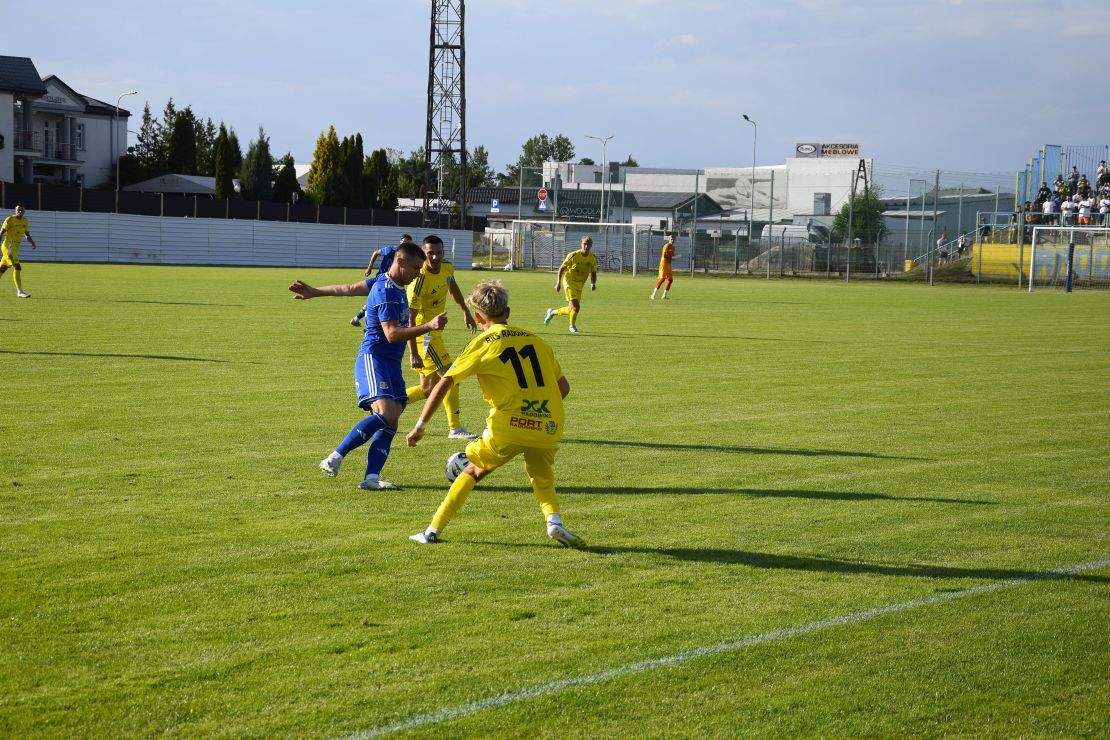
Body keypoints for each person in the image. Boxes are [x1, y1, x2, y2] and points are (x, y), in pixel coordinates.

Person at [405, 279, 585, 549]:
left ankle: (431, 532)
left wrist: (420, 425)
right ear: (507, 312)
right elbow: (564, 389)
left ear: (478, 318)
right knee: (541, 476)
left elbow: (444, 383)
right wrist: (536, 410)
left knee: (473, 470)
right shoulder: (538, 341)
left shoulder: (483, 342)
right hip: (548, 425)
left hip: (508, 426)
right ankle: (554, 522)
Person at [290, 241, 447, 490]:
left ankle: (372, 478)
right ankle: (334, 457)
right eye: (416, 268)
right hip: (374, 359)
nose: (418, 273)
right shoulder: (387, 292)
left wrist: (315, 291)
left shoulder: (385, 282)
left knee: (392, 420)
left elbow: (349, 288)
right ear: (400, 262)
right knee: (386, 414)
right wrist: (428, 326)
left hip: (391, 363)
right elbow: (392, 334)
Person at [404, 234, 481, 440]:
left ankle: (385, 406)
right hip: (425, 337)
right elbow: (410, 318)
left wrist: (465, 311)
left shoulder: (447, 267)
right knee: (451, 377)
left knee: (427, 389)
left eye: (439, 252)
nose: (435, 257)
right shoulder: (419, 279)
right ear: (423, 254)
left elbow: (453, 287)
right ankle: (455, 428)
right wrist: (413, 352)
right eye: (430, 253)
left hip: (436, 334)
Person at [351, 234, 413, 327]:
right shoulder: (391, 250)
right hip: (382, 280)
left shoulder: (408, 257)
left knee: (376, 300)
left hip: (391, 281)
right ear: (400, 243)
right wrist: (369, 267)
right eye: (404, 242)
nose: (405, 245)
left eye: (408, 244)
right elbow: (376, 253)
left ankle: (357, 318)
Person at [543, 236, 597, 334]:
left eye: (588, 244)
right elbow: (562, 268)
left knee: (571, 309)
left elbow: (593, 273)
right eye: (584, 244)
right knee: (576, 307)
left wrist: (593, 283)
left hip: (580, 284)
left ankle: (552, 312)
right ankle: (572, 326)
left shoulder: (592, 258)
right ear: (581, 244)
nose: (586, 246)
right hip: (569, 282)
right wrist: (558, 282)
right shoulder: (573, 255)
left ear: (591, 245)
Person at [0, 204, 38, 298]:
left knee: (2, 269)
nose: (20, 211)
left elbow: (27, 234)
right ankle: (20, 292)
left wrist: (32, 243)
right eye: (18, 210)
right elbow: (1, 233)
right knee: (17, 267)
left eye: (22, 210)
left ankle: (20, 292)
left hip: (14, 249)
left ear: (24, 211)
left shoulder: (25, 221)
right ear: (15, 210)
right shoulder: (10, 220)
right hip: (7, 248)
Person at [650, 234, 676, 300]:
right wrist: (671, 257)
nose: (672, 240)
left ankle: (664, 295)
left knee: (670, 280)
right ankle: (653, 294)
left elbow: (672, 256)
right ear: (669, 239)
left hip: (668, 265)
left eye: (674, 239)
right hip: (663, 264)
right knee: (662, 279)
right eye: (671, 239)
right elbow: (664, 256)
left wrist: (673, 258)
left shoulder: (673, 247)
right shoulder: (666, 246)